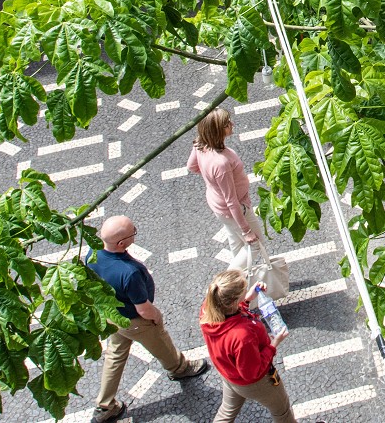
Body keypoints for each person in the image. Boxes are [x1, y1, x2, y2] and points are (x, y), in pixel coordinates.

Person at [86, 216, 211, 423]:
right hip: (136, 321)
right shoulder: (129, 272)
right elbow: (143, 309)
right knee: (161, 344)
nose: (135, 232)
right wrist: (156, 317)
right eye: (132, 232)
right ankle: (179, 369)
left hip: (112, 315)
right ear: (121, 243)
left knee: (115, 356)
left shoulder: (92, 253)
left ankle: (105, 405)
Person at [188, 109, 276, 283]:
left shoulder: (200, 144)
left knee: (236, 244)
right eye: (227, 124)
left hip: (218, 207)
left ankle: (240, 284)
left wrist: (211, 181)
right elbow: (232, 201)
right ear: (218, 130)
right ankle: (226, 284)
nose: (232, 124)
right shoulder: (221, 163)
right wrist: (247, 230)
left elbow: (192, 167)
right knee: (255, 244)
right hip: (235, 210)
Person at [200, 269, 296, 423]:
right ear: (233, 301)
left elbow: (229, 314)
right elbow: (252, 372)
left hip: (229, 374)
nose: (247, 289)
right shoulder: (242, 336)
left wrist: (246, 300)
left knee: (226, 412)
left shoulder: (208, 308)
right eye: (244, 290)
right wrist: (273, 344)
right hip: (256, 384)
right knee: (282, 413)